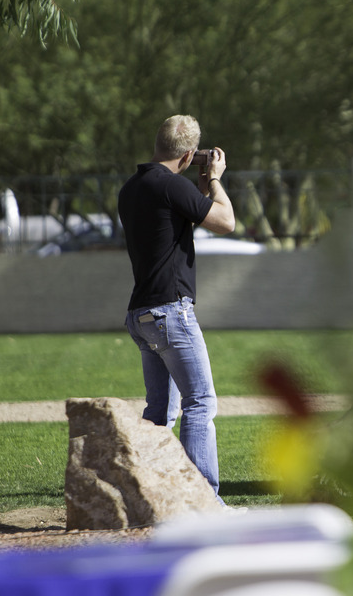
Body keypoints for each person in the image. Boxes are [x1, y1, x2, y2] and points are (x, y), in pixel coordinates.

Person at [118, 114, 236, 501]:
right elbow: (226, 221)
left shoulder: (133, 187)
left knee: (159, 413)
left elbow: (174, 227)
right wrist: (215, 178)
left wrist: (200, 189)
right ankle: (206, 504)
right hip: (171, 313)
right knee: (200, 403)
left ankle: (146, 500)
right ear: (188, 155)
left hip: (141, 315)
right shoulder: (169, 186)